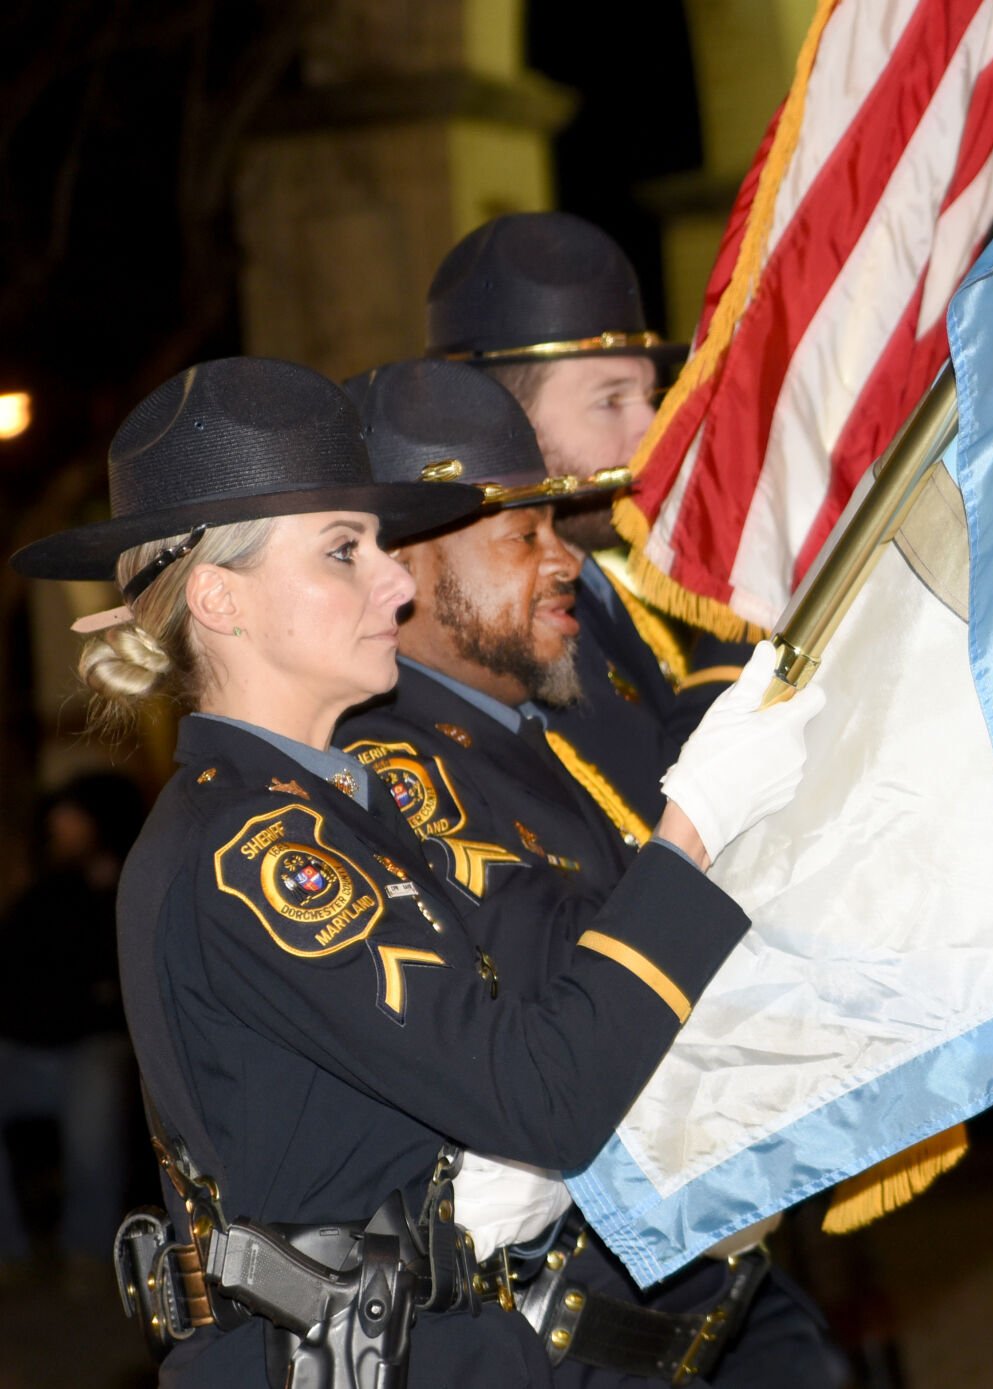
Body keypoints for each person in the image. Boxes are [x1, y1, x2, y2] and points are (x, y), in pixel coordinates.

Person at [9, 356, 823, 1388]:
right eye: (344, 551)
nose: (395, 580)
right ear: (220, 598)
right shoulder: (256, 851)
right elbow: (540, 1096)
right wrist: (693, 831)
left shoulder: (345, 808)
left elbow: (522, 1046)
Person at [338, 358, 848, 1387]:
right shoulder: (398, 769)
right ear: (403, 573)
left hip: (709, 1307)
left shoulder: (527, 733)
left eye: (553, 526)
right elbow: (580, 1019)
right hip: (574, 1343)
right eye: (520, 534)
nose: (561, 557)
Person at [426, 212, 749, 822]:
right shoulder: (488, 627)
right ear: (503, 419)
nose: (653, 433)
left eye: (649, 397)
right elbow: (658, 819)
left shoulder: (600, 573)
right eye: (610, 401)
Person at [0, 772, 144, 1279]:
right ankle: (6, 1251)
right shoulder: (37, 890)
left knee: (96, 1098)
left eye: (72, 820)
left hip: (92, 1046)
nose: (62, 830)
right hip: (26, 1045)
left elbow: (118, 986)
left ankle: (87, 1247)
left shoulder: (130, 884)